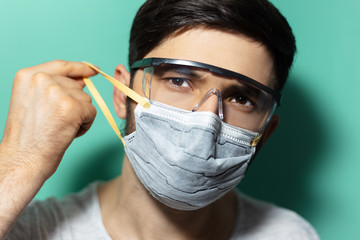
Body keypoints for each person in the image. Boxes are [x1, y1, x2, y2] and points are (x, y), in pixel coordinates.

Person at [0, 0, 320, 239]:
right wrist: (19, 164)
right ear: (121, 95)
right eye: (179, 80)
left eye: (241, 98)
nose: (206, 121)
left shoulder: (287, 234)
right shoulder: (30, 230)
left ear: (264, 136)